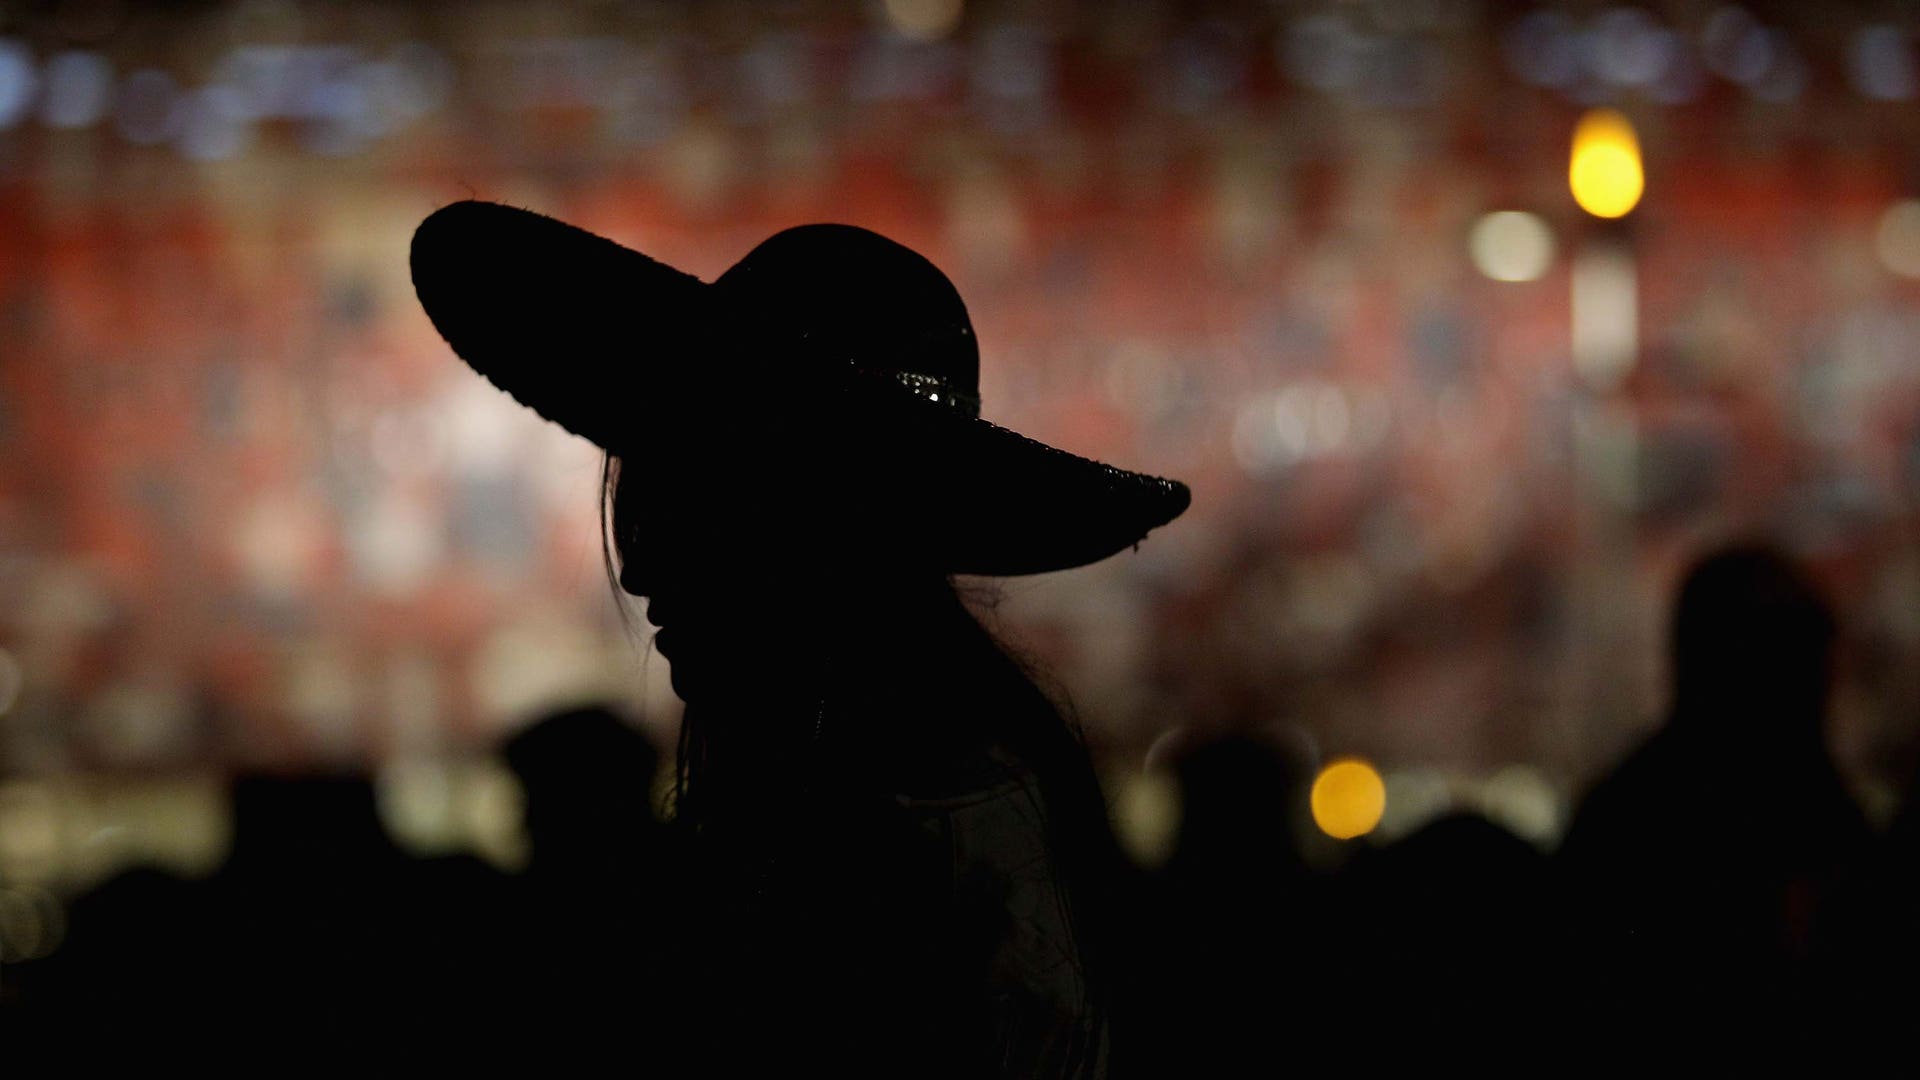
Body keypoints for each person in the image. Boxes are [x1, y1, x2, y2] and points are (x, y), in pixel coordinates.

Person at [409, 201, 1189, 1077]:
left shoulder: (902, 841)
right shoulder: (930, 796)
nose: (641, 568)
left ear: (812, 515)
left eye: (695, 500)